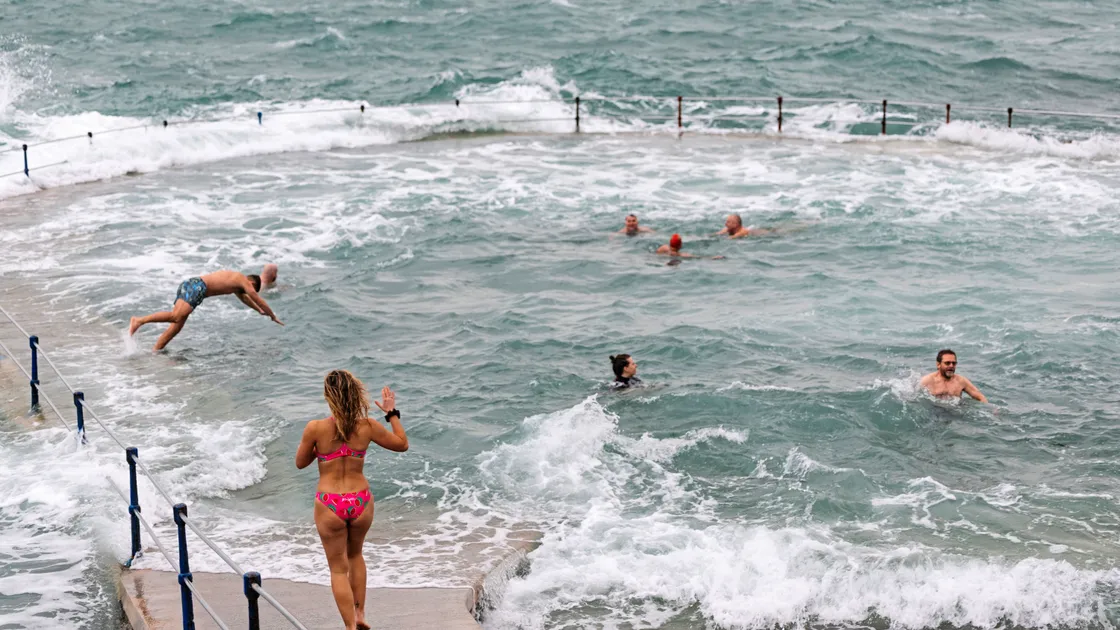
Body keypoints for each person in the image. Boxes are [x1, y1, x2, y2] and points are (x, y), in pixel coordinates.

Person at [296, 370, 409, 630]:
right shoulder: (367, 426)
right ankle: (360, 615)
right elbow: (402, 444)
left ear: (328, 396)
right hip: (361, 501)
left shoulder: (316, 428)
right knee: (356, 555)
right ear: (355, 394)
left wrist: (320, 448)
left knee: (338, 569)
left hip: (329, 503)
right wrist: (391, 414)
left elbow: (300, 463)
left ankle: (349, 627)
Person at [129, 270, 283, 351]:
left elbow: (246, 299)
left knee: (177, 325)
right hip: (197, 287)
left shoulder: (236, 283)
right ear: (250, 282)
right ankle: (139, 320)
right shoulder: (242, 280)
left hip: (195, 287)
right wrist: (272, 315)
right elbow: (256, 298)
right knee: (176, 317)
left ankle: (156, 350)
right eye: (251, 288)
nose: (248, 291)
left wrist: (259, 311)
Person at [920, 349, 988, 402]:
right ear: (938, 364)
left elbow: (980, 397)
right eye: (947, 363)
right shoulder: (927, 381)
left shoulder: (961, 381)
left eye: (954, 363)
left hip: (956, 412)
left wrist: (991, 410)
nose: (951, 366)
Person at [656, 234, 723, 259]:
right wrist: (713, 257)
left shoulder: (663, 247)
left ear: (670, 243)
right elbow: (699, 257)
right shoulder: (682, 255)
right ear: (680, 245)